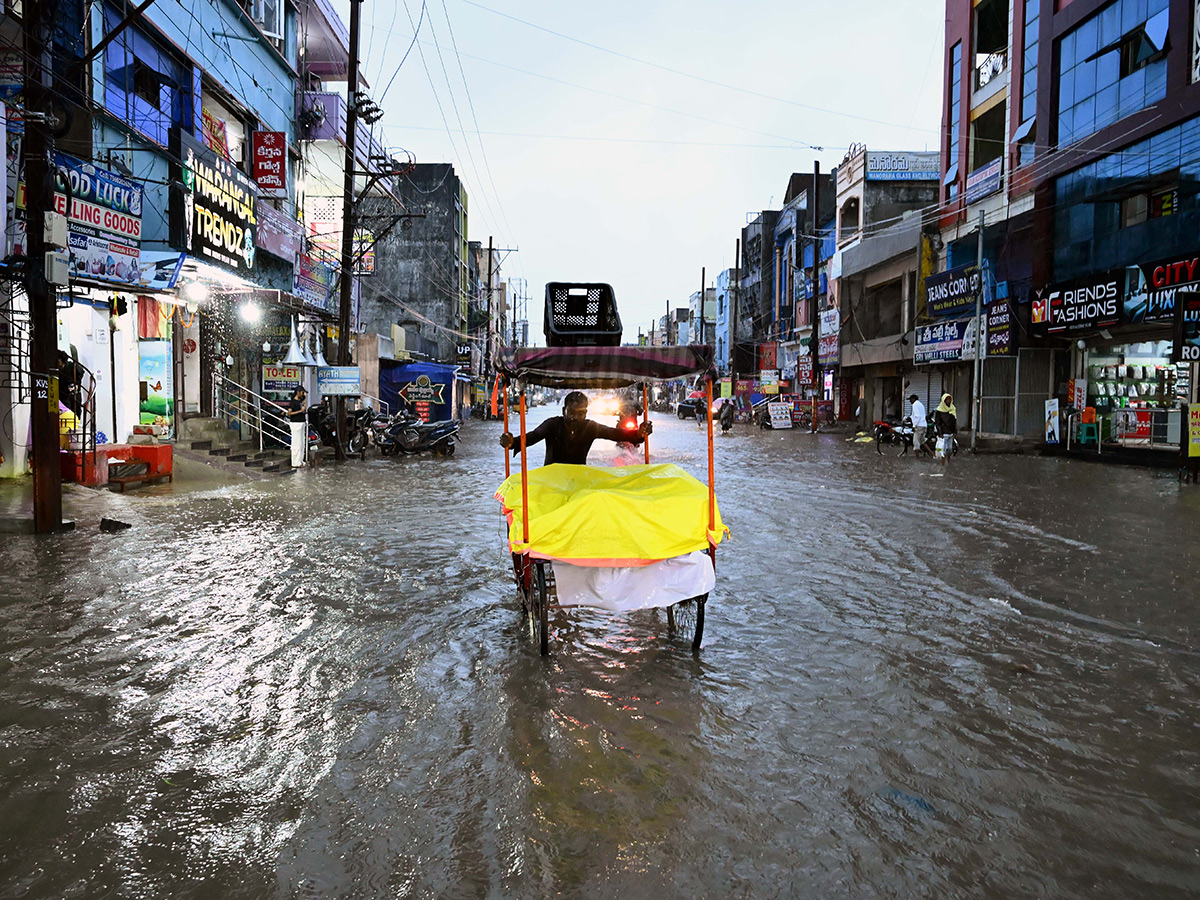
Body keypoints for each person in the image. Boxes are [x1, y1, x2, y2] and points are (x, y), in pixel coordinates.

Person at [500, 390, 653, 466]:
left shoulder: (590, 427)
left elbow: (616, 434)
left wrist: (639, 433)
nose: (575, 418)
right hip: (551, 480)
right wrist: (513, 441)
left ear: (585, 413)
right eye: (571, 413)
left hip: (579, 480)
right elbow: (533, 436)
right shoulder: (553, 424)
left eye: (580, 414)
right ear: (563, 411)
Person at [285, 386, 308, 468]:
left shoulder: (300, 401)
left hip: (302, 422)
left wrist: (304, 407)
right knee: (296, 443)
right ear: (298, 392)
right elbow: (289, 413)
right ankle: (295, 462)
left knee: (302, 443)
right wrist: (299, 411)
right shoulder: (293, 402)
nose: (303, 394)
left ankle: (300, 460)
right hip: (295, 423)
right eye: (302, 392)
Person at [934, 393, 957, 466]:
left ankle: (948, 462)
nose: (948, 401)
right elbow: (937, 423)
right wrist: (940, 433)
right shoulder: (939, 410)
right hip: (944, 433)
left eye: (949, 399)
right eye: (947, 399)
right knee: (943, 450)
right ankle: (943, 464)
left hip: (950, 432)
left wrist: (955, 431)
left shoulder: (952, 408)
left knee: (950, 449)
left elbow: (954, 421)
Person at [57, 350, 83, 415]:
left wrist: (77, 384)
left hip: (74, 393)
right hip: (63, 394)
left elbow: (81, 373)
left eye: (58, 361)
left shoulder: (73, 366)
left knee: (76, 411)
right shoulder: (57, 369)